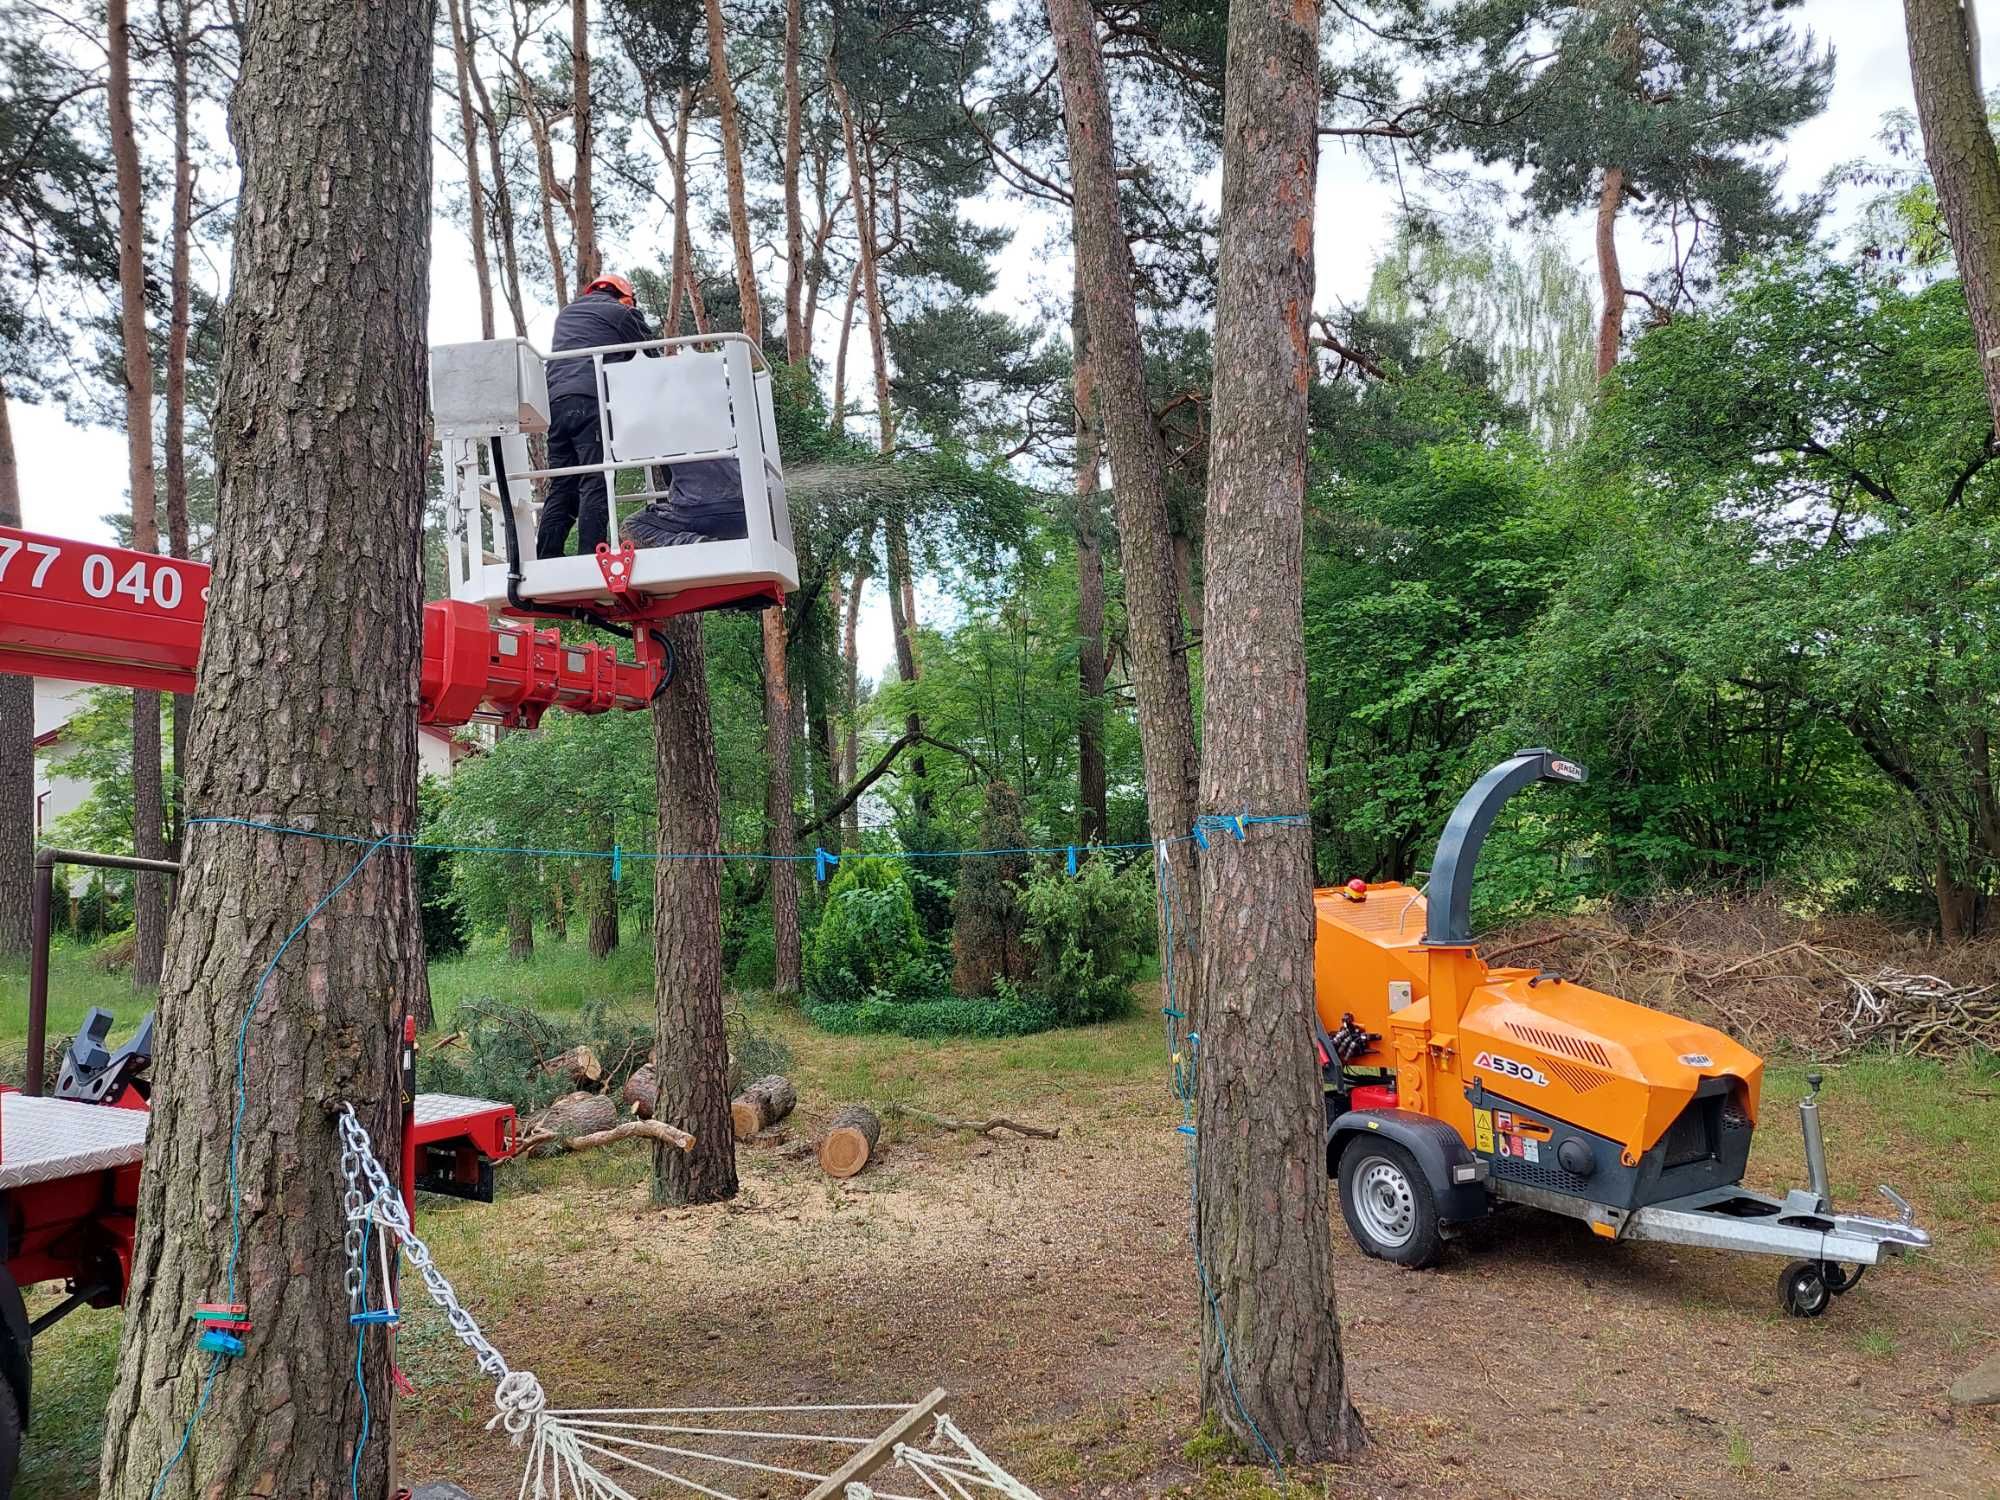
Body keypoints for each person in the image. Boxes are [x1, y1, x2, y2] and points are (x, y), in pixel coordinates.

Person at [536, 273, 655, 560]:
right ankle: (591, 558)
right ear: (625, 297)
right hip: (591, 400)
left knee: (563, 482)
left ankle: (547, 557)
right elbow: (650, 357)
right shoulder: (621, 313)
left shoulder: (566, 316)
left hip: (555, 404)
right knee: (597, 477)